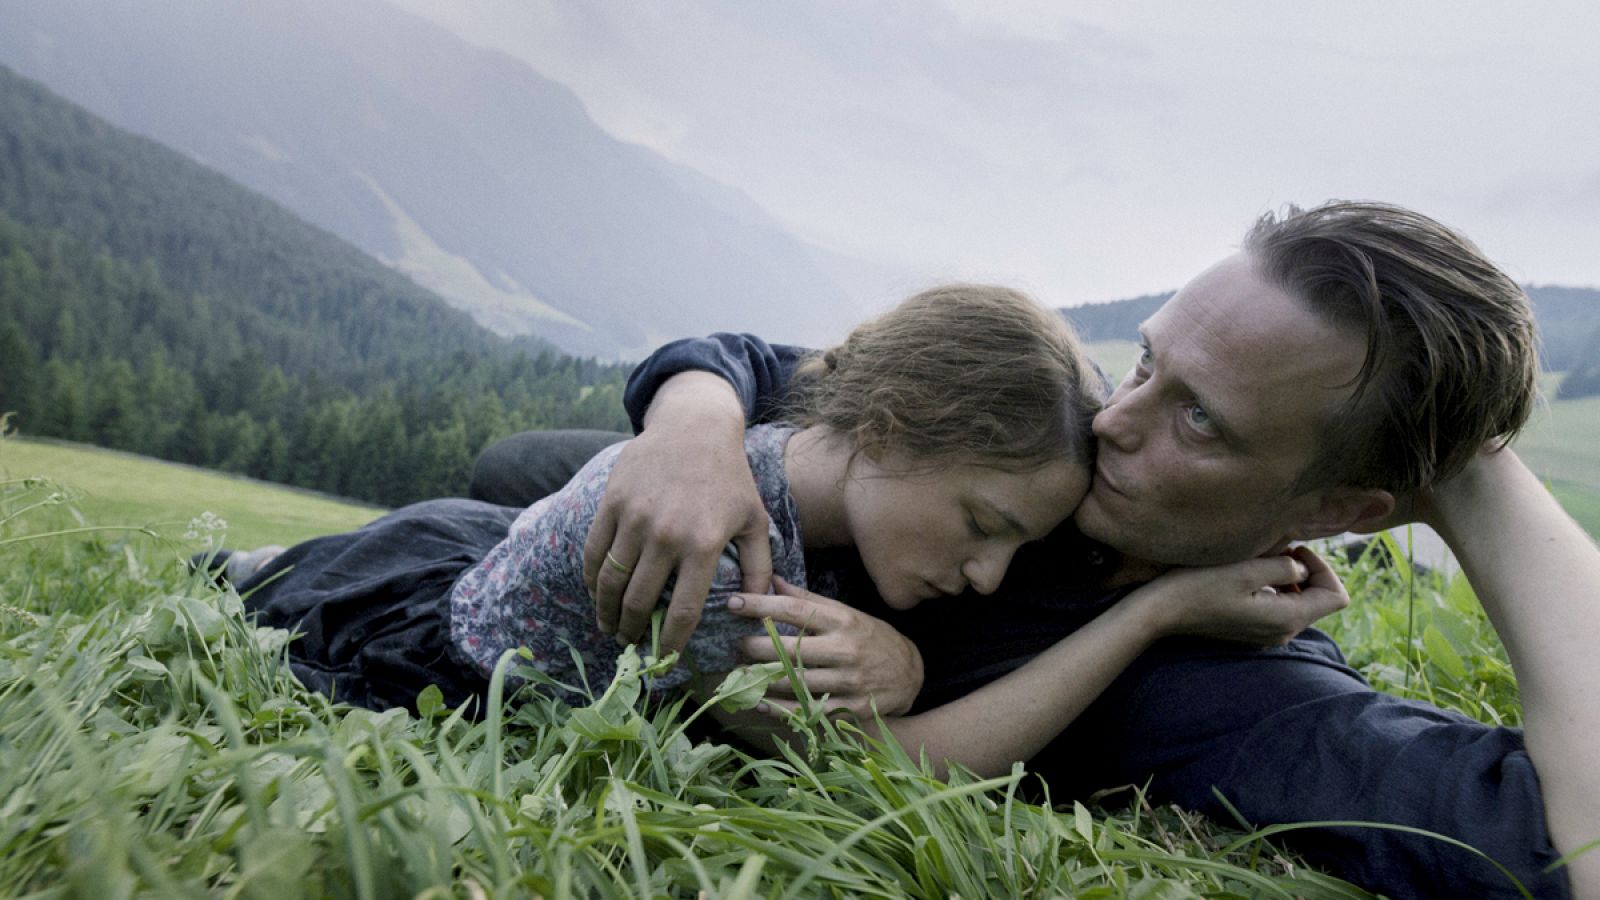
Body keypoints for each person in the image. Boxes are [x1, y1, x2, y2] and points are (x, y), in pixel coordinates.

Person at [472, 202, 1600, 898]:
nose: (1116, 418)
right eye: (1148, 361)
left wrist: (1478, 479)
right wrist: (689, 422)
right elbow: (809, 369)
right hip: (707, 528)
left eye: (1198, 420)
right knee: (517, 466)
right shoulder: (1079, 443)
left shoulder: (1245, 692)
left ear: (1343, 511)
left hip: (696, 654)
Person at [230, 284, 1344, 775]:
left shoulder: (800, 462)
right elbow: (890, 774)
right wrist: (1153, 614)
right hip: (427, 647)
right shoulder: (725, 561)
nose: (988, 571)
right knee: (270, 595)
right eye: (982, 525)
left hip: (470, 557)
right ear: (896, 424)